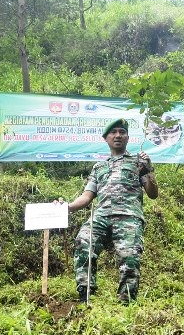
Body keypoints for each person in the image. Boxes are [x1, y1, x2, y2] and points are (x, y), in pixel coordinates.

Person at [67, 118, 158, 304]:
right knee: (83, 241)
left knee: (129, 258)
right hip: (101, 216)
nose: (118, 135)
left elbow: (152, 193)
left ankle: (126, 302)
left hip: (128, 216)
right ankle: (85, 293)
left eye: (122, 132)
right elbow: (86, 197)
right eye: (113, 132)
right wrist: (65, 207)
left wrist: (148, 171)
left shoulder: (138, 161)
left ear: (127, 137)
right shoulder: (99, 167)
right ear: (106, 138)